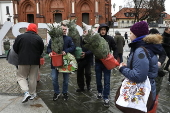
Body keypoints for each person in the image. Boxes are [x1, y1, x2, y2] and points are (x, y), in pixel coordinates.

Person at [119, 21, 164, 111]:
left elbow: (139, 76)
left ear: (136, 35)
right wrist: (129, 66)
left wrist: (122, 69)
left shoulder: (140, 50)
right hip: (148, 90)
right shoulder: (145, 46)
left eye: (131, 33)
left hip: (142, 94)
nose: (130, 35)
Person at [13, 23, 44, 103]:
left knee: (21, 77)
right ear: (35, 30)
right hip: (35, 61)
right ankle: (33, 94)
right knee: (33, 78)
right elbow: (41, 50)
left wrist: (21, 53)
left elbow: (15, 48)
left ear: (27, 29)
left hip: (23, 60)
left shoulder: (20, 37)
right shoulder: (38, 38)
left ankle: (26, 92)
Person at [47, 25, 75, 101]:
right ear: (59, 30)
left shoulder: (68, 39)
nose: (64, 30)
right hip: (55, 62)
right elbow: (48, 47)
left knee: (66, 79)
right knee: (54, 78)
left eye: (65, 29)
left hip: (65, 62)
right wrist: (49, 52)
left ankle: (65, 92)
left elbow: (73, 47)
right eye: (63, 29)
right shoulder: (53, 39)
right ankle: (56, 92)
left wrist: (66, 51)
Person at [95, 23, 118, 107]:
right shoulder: (96, 39)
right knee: (98, 79)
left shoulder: (110, 39)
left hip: (107, 63)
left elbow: (115, 49)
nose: (103, 31)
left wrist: (114, 57)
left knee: (107, 81)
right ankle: (100, 92)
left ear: (106, 31)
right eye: (101, 30)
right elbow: (92, 48)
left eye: (104, 30)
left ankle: (106, 97)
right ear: (99, 30)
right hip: (98, 62)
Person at [149, 28, 167, 95]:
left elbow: (163, 54)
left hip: (154, 71)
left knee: (155, 89)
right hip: (148, 72)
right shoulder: (144, 44)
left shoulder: (157, 44)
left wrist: (159, 62)